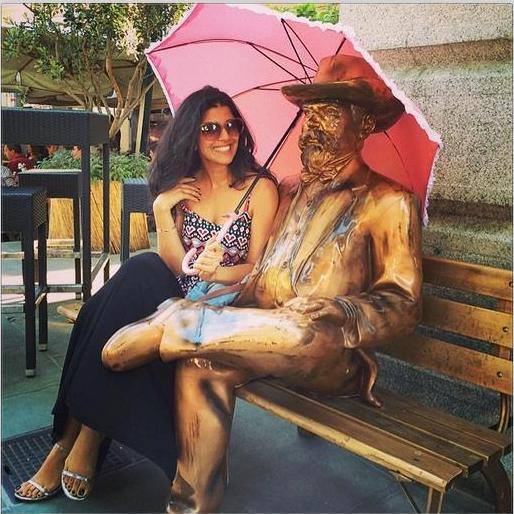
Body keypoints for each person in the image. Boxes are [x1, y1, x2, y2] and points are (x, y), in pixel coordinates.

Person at [103, 55, 423, 513]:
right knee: (200, 364)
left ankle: (176, 322)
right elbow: (259, 269)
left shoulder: (388, 201)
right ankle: (191, 504)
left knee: (303, 330)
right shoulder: (288, 190)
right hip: (260, 329)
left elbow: (404, 302)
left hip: (329, 352)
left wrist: (343, 310)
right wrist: (218, 282)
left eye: (329, 114)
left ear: (365, 124)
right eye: (309, 114)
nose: (312, 126)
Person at [14, 86, 279, 503]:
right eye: (210, 128)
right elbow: (173, 265)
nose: (225, 136)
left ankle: (79, 437)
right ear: (191, 135)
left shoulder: (258, 189)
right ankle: (76, 439)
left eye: (231, 125)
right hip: (176, 292)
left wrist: (218, 269)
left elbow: (259, 270)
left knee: (120, 299)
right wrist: (161, 210)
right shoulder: (185, 186)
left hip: (219, 304)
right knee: (134, 280)